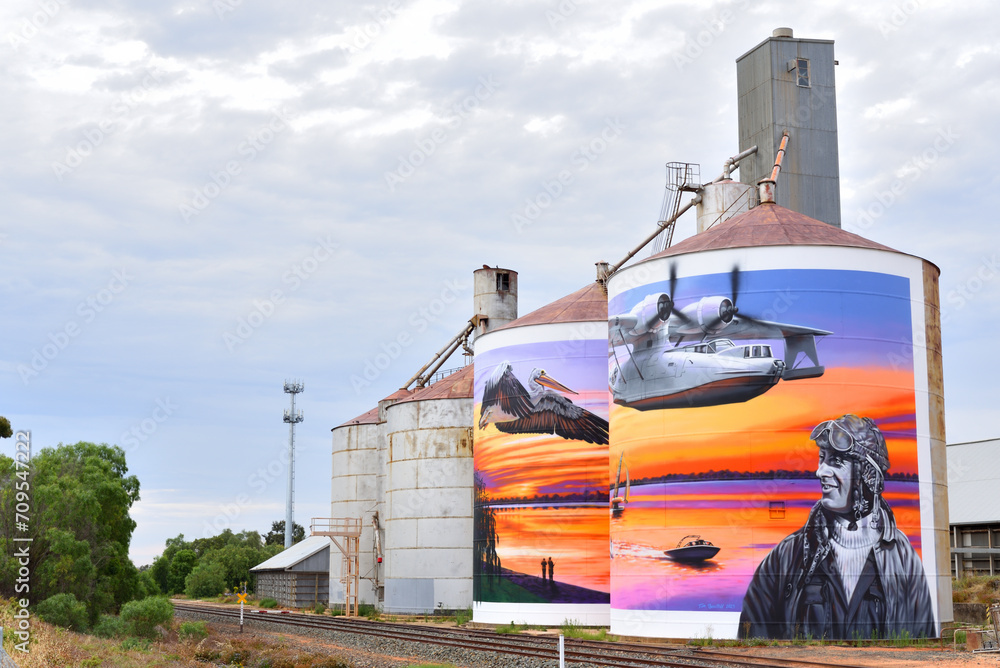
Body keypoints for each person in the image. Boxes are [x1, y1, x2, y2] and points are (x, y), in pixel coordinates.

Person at [738, 414, 936, 640]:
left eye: (836, 461)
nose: (821, 472)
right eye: (822, 459)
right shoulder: (786, 556)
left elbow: (921, 642)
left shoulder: (903, 558)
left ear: (868, 476)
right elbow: (753, 645)